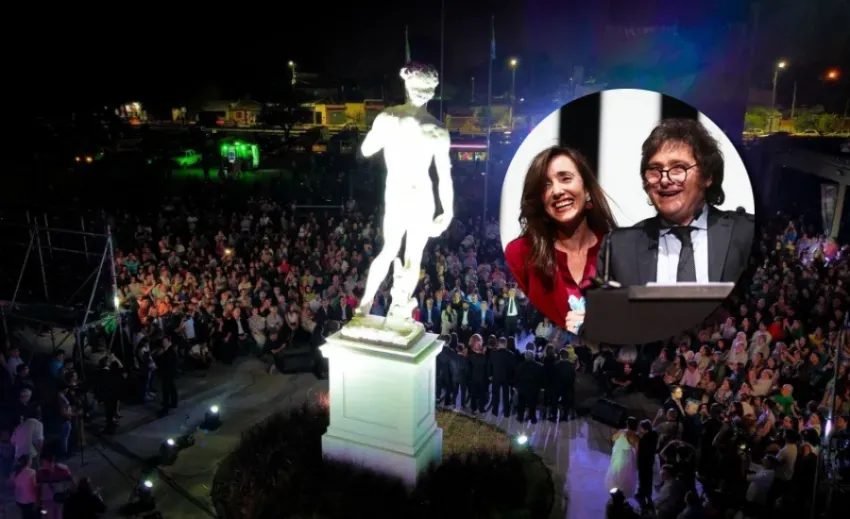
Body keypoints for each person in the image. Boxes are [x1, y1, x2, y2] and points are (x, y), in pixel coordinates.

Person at [599, 118, 754, 287]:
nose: (665, 180)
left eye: (678, 168)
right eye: (655, 170)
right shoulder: (619, 247)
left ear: (707, 176)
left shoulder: (746, 232)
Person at [355, 62, 453, 323]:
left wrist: (384, 131)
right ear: (432, 93)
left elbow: (366, 150)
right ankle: (398, 306)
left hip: (397, 194)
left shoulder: (388, 118)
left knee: (389, 250)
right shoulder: (437, 130)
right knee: (412, 256)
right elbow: (444, 177)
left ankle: (365, 305)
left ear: (407, 87)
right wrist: (448, 211)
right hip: (422, 196)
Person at [504, 146, 616, 335]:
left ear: (587, 189)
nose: (556, 191)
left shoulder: (618, 250)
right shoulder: (519, 253)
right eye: (545, 185)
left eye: (565, 178)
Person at [604, 416, 640, 497]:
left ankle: (615, 492)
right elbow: (637, 451)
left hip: (617, 456)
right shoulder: (636, 437)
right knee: (625, 476)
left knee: (616, 473)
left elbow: (613, 439)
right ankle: (622, 493)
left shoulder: (621, 432)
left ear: (627, 424)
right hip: (627, 459)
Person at [10, 454, 38, 519]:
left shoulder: (15, 473)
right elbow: (35, 487)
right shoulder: (32, 472)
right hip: (30, 501)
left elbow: (10, 485)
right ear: (29, 462)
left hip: (19, 500)